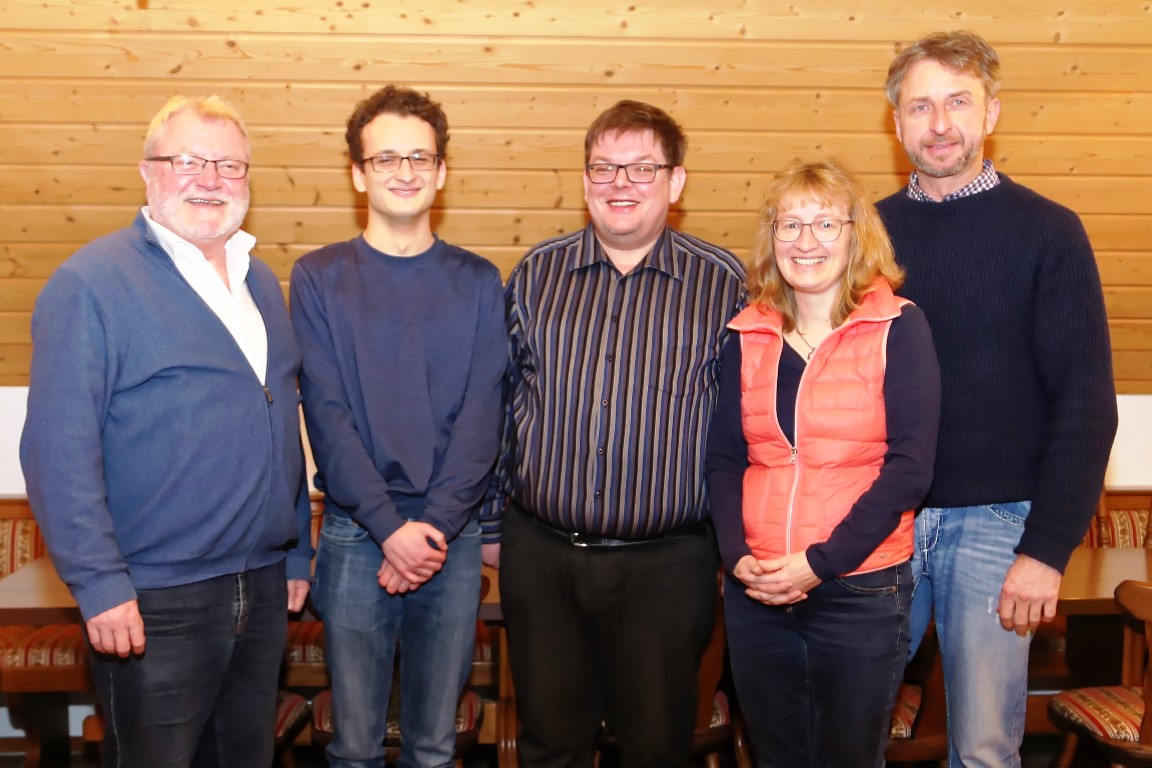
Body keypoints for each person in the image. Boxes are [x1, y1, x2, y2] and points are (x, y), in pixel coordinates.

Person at [19, 95, 313, 767]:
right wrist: (100, 584)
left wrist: (296, 552)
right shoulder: (90, 284)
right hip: (154, 599)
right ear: (147, 171)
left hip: (263, 584)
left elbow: (278, 417)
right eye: (187, 161)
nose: (210, 179)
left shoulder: (260, 281)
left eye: (229, 165)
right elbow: (56, 452)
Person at [877, 30, 1119, 766]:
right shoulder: (863, 236)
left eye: (958, 102)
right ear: (896, 121)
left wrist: (1045, 551)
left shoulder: (1049, 233)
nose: (939, 124)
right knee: (845, 733)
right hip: (879, 518)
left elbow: (1086, 405)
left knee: (983, 749)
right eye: (920, 106)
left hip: (997, 527)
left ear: (992, 113)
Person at [489, 99, 746, 768]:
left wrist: (736, 544)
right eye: (604, 168)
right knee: (550, 748)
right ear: (585, 181)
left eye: (641, 168)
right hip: (543, 557)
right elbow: (498, 402)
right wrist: (490, 525)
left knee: (656, 751)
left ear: (675, 182)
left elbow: (745, 425)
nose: (620, 184)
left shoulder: (723, 285)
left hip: (668, 566)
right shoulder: (535, 276)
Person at [290, 84, 505, 768]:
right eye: (385, 158)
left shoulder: (480, 281)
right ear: (359, 173)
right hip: (356, 535)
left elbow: (484, 417)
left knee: (435, 747)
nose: (404, 171)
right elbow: (327, 416)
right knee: (353, 746)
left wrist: (430, 528)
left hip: (451, 536)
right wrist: (389, 529)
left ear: (441, 171)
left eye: (419, 157)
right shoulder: (318, 277)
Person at [704, 159, 940, 768]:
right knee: (777, 756)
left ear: (857, 235)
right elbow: (725, 460)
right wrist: (737, 557)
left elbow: (911, 468)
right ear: (772, 238)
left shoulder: (898, 327)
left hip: (859, 586)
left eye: (825, 224)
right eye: (790, 224)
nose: (805, 241)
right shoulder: (747, 334)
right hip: (758, 588)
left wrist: (818, 564)